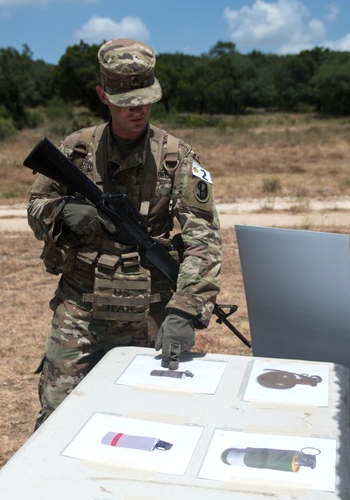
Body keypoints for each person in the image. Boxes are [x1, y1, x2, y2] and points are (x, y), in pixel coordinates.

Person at [27, 38, 222, 427]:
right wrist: (63, 211)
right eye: (126, 100)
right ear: (103, 94)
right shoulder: (75, 150)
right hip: (81, 307)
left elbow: (203, 235)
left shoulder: (178, 156)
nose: (139, 108)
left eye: (145, 98)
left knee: (151, 421)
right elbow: (35, 209)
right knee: (57, 419)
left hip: (150, 309)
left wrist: (185, 310)